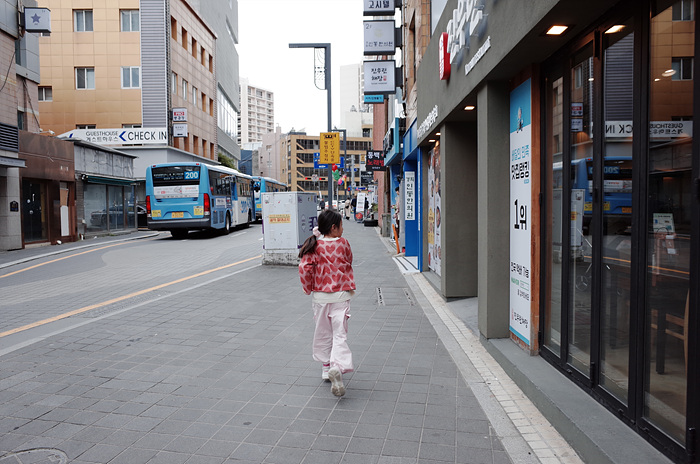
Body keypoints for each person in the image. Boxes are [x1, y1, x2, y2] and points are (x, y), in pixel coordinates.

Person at [298, 210, 356, 397]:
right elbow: (349, 260)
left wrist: (308, 289)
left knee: (323, 331)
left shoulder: (314, 246)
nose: (343, 228)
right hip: (340, 295)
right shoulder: (343, 243)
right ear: (333, 227)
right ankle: (337, 367)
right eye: (340, 225)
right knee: (339, 334)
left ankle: (325, 367)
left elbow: (304, 268)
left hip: (320, 297)